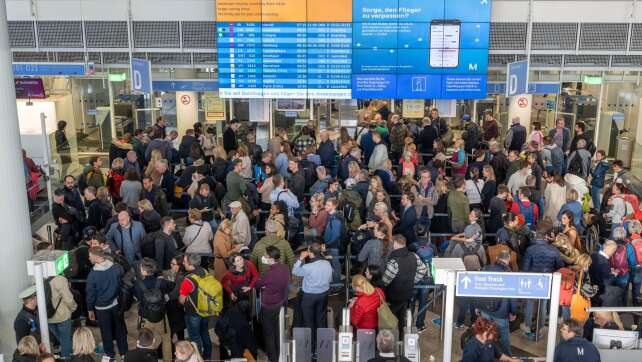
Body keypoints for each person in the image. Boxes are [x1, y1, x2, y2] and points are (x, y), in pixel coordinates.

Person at [521, 223, 564, 339]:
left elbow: (525, 268)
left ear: (536, 235)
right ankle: (539, 329)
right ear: (546, 236)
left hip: (531, 281)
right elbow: (560, 266)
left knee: (530, 304)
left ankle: (527, 326)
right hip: (547, 281)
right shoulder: (553, 250)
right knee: (543, 305)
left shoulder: (530, 250)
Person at [179, 253, 223, 359]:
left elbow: (181, 300)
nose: (183, 263)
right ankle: (207, 358)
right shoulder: (205, 272)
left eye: (185, 262)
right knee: (205, 334)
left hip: (193, 313)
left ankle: (198, 359)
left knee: (194, 338)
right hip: (205, 311)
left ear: (191, 265)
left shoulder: (188, 280)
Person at [86, 247, 128, 358]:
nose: (89, 258)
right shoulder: (116, 267)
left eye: (90, 256)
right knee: (120, 329)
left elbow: (90, 295)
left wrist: (90, 309)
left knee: (106, 332)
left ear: (95, 257)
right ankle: (124, 353)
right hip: (116, 304)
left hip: (101, 309)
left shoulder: (93, 275)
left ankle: (110, 355)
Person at [292, 243, 333, 354]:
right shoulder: (327, 263)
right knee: (321, 321)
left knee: (309, 322)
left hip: (309, 297)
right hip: (323, 295)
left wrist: (300, 258)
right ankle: (323, 348)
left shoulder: (307, 267)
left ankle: (311, 349)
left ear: (310, 253)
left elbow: (295, 272)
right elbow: (330, 279)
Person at [383, 235, 428, 333]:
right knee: (402, 321)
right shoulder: (414, 256)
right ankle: (402, 339)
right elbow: (423, 269)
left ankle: (389, 341)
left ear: (395, 244)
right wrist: (413, 280)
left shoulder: (393, 261)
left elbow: (385, 281)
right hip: (407, 294)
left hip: (393, 296)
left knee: (389, 322)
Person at [256, 246, 290, 362]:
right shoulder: (285, 268)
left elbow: (259, 285)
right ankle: (278, 354)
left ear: (270, 258)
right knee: (277, 331)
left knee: (269, 335)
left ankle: (273, 359)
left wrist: (261, 284)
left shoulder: (269, 274)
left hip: (268, 306)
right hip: (279, 302)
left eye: (265, 256)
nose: (263, 257)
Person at [479, 251, 517, 355]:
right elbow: (512, 296)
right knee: (504, 335)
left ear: (497, 258)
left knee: (485, 331)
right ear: (508, 259)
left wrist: (477, 306)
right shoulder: (509, 273)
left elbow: (479, 289)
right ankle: (508, 356)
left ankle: (485, 352)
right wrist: (513, 312)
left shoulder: (485, 269)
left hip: (485, 308)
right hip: (501, 311)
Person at [47, 272, 77, 359]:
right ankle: (68, 359)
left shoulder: (38, 277)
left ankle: (65, 356)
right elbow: (68, 299)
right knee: (65, 341)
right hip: (62, 316)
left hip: (48, 317)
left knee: (62, 340)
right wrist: (73, 308)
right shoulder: (60, 279)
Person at [589, 239, 618, 304]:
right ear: (611, 251)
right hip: (599, 291)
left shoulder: (593, 254)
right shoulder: (605, 263)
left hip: (589, 287)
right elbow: (606, 282)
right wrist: (613, 275)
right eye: (614, 251)